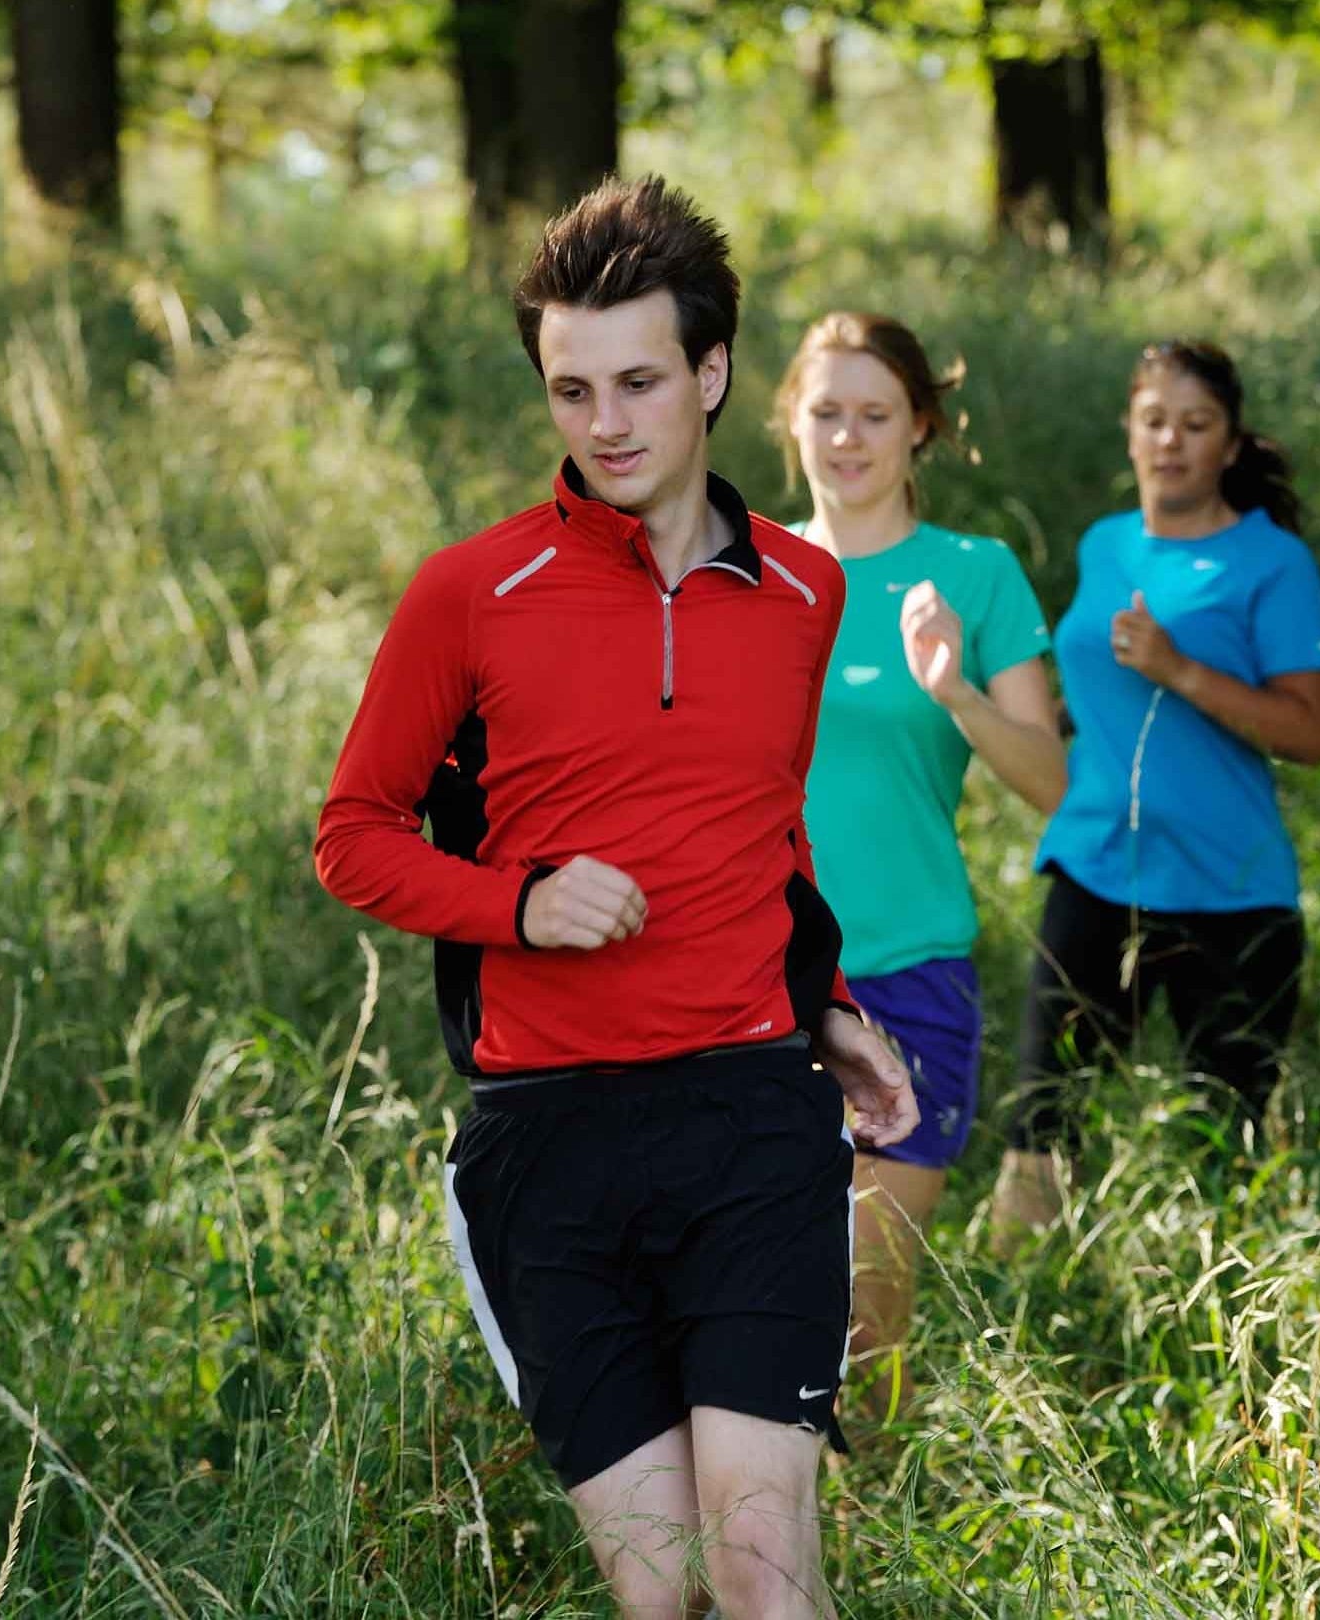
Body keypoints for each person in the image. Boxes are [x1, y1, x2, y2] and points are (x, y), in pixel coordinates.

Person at [313, 175, 916, 1620]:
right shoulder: (472, 591)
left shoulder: (800, 594)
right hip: (552, 1146)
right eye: (570, 390)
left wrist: (821, 1003)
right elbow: (353, 833)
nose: (606, 425)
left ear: (711, 374)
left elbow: (768, 835)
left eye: (639, 381)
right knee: (663, 1596)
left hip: (751, 1124)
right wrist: (517, 904)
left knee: (765, 1564)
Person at [773, 312, 1065, 1408]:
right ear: (790, 421)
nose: (848, 439)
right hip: (752, 979)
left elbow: (1053, 785)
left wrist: (955, 689)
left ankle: (877, 1527)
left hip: (908, 974)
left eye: (875, 415)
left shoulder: (974, 577)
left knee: (865, 1296)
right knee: (758, 1294)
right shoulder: (745, 569)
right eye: (826, 412)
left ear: (920, 428)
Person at [989, 340, 1320, 1249]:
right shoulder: (1106, 544)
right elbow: (1101, 684)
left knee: (1229, 1145)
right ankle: (1015, 1313)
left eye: (1196, 425)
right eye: (1154, 422)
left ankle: (1230, 1327)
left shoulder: (1273, 563)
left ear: (1228, 444)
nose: (1171, 442)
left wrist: (1179, 669)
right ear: (1129, 432)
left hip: (1232, 892)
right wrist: (1027, 716)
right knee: (1038, 1120)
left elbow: (1308, 732)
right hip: (1097, 871)